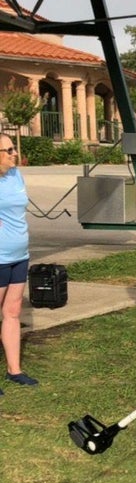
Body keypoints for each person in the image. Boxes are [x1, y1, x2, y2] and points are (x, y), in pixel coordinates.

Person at [0, 129, 37, 386]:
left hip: (19, 255)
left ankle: (14, 370)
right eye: (9, 150)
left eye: (14, 148)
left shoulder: (15, 174)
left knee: (13, 311)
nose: (15, 153)